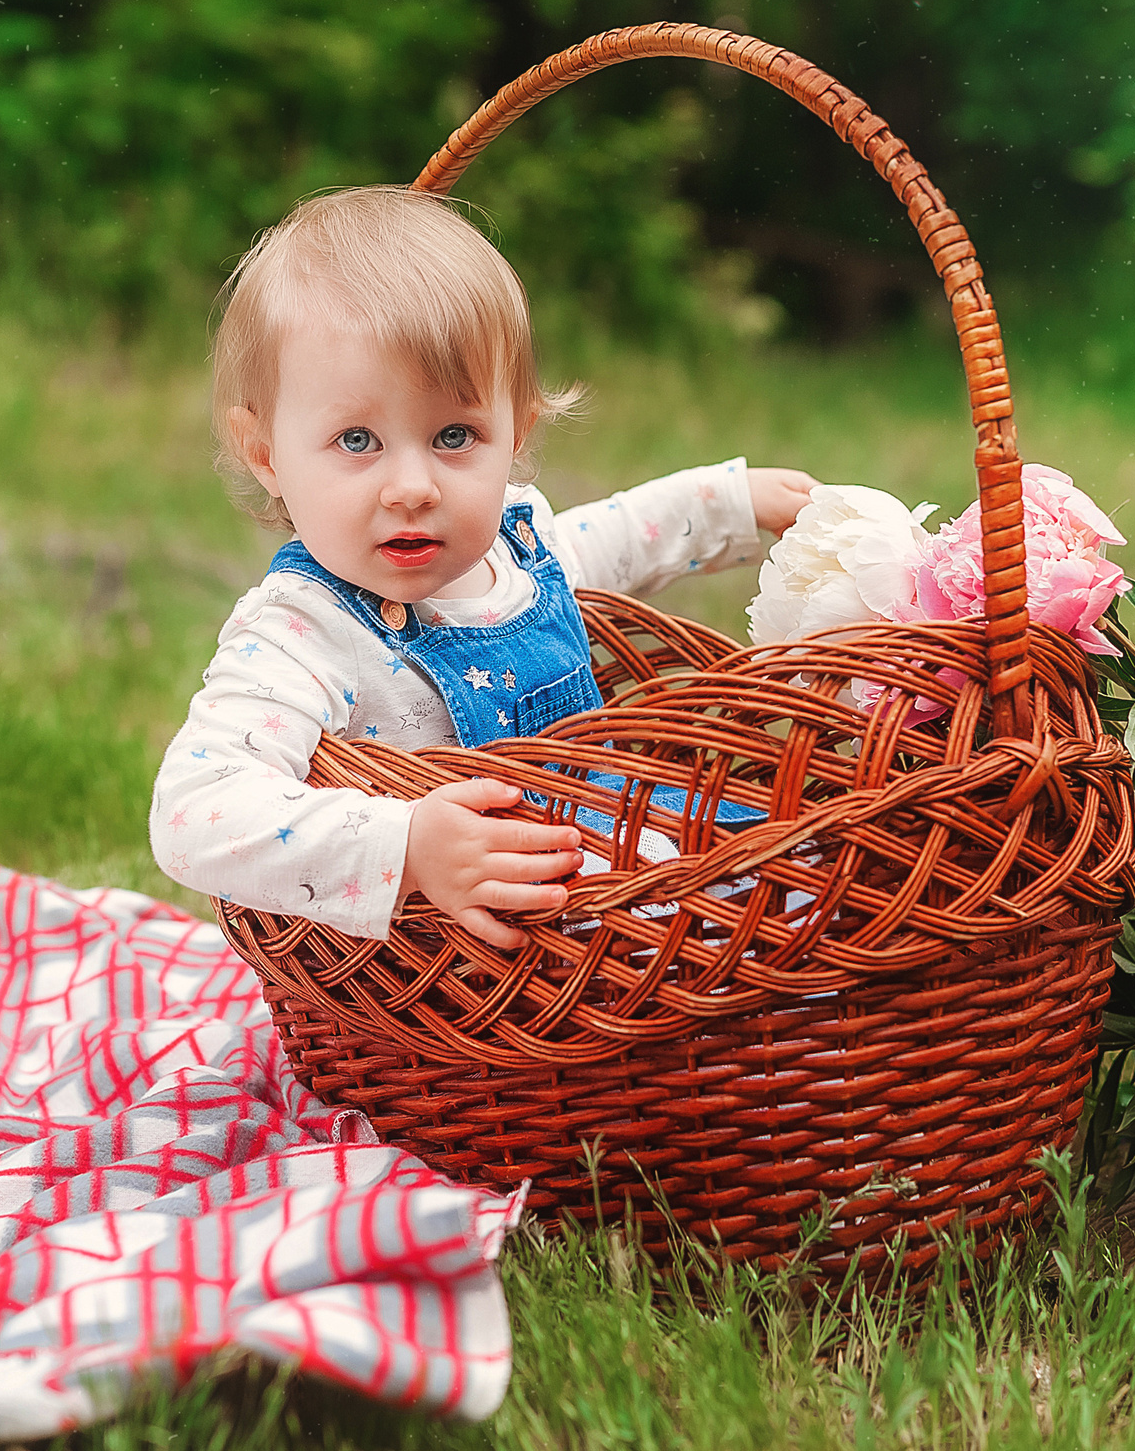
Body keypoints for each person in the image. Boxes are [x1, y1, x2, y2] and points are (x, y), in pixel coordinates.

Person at [151, 187, 816, 948]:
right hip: (474, 957)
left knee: (787, 846)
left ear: (517, 432)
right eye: (357, 441)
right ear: (265, 453)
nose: (412, 487)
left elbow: (618, 539)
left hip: (620, 853)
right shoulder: (304, 633)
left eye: (456, 435)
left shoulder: (515, 548)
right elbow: (193, 810)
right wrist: (404, 848)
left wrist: (731, 501)